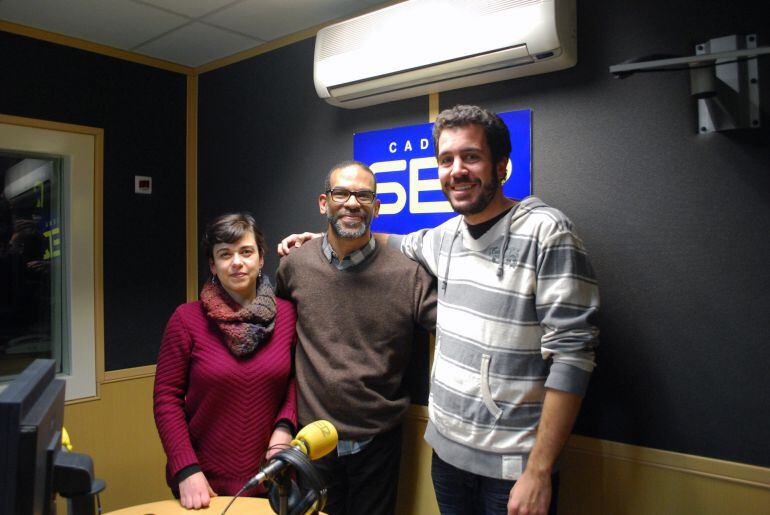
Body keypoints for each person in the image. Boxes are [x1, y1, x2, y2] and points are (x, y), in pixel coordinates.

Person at [278, 105, 600, 515]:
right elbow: (380, 239)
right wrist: (322, 237)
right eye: (446, 160)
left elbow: (573, 355)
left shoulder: (546, 232)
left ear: (501, 165)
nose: (457, 170)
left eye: (471, 156)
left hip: (512, 467)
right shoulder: (445, 238)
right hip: (447, 456)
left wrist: (539, 470)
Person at [275, 160, 437, 515]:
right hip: (312, 439)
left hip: (378, 441)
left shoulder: (409, 275)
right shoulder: (294, 265)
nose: (352, 203)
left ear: (376, 207)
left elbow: (455, 328)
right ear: (324, 202)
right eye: (341, 193)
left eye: (363, 195)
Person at [154, 213, 297, 509]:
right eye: (225, 254)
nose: (236, 262)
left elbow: (298, 381)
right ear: (212, 265)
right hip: (204, 484)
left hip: (272, 476)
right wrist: (186, 469)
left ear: (260, 259)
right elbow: (166, 399)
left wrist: (285, 427)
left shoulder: (288, 316)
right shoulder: (186, 319)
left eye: (246, 252)